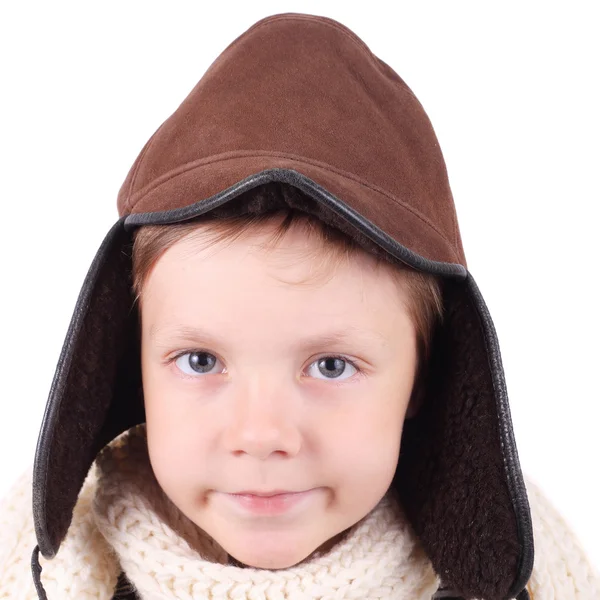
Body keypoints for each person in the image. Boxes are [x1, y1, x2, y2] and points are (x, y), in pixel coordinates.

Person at [1, 12, 598, 600]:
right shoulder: (35, 572)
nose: (261, 435)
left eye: (331, 366)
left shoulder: (542, 583)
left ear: (424, 378)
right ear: (129, 366)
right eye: (201, 361)